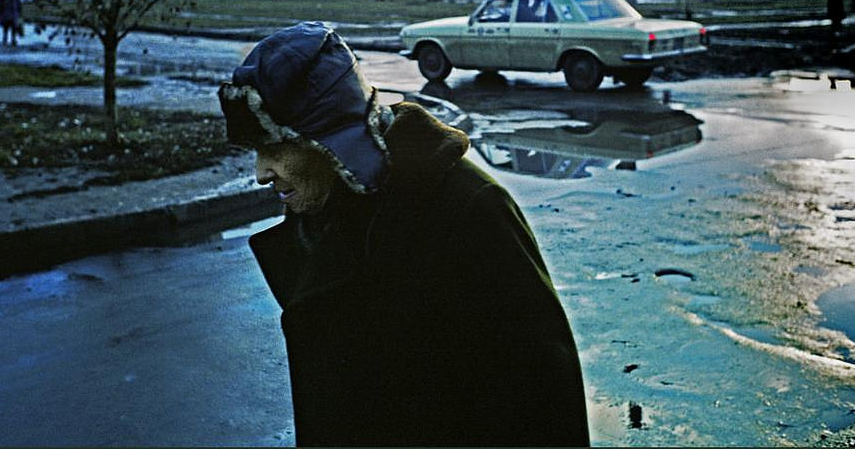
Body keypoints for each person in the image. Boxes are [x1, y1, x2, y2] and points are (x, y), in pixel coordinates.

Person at [218, 22, 590, 447]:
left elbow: (545, 402)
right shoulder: (323, 212)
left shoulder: (468, 211)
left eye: (275, 148)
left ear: (328, 142)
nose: (261, 173)